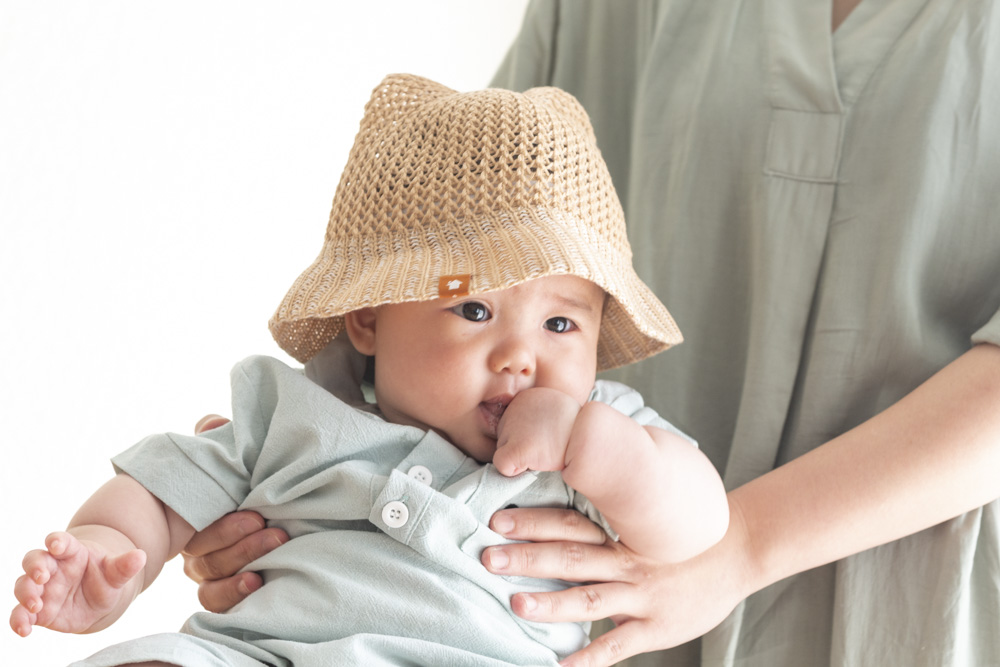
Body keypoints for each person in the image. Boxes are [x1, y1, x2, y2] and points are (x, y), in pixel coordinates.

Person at [182, 2, 1000, 666]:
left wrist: (738, 542)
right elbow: (440, 251)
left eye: (561, 320)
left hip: (895, 593)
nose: (518, 347)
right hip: (563, 605)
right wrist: (276, 506)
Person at [9, 73, 730, 666]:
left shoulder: (600, 432)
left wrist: (597, 447)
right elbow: (160, 490)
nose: (521, 355)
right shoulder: (288, 409)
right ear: (369, 318)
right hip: (267, 653)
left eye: (562, 323)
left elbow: (697, 521)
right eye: (475, 310)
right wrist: (106, 553)